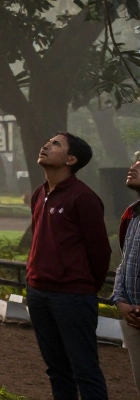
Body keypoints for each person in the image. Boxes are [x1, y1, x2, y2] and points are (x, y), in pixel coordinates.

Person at [27, 133, 111, 400]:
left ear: (71, 159)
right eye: (48, 142)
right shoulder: (40, 194)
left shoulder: (83, 197)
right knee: (56, 370)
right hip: (38, 292)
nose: (46, 145)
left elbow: (100, 252)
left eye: (56, 144)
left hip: (72, 297)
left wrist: (83, 287)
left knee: (84, 370)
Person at [113, 153, 140, 396]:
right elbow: (125, 262)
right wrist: (120, 300)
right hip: (132, 317)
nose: (134, 167)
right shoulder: (132, 213)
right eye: (135, 161)